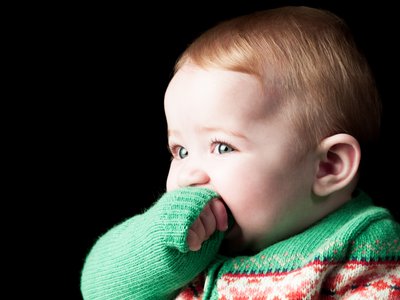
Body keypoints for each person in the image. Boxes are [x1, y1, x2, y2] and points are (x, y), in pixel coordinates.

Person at [81, 6, 400, 299]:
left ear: (328, 167)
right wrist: (160, 243)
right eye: (181, 151)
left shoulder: (361, 250)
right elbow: (97, 290)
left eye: (222, 147)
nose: (188, 173)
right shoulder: (190, 247)